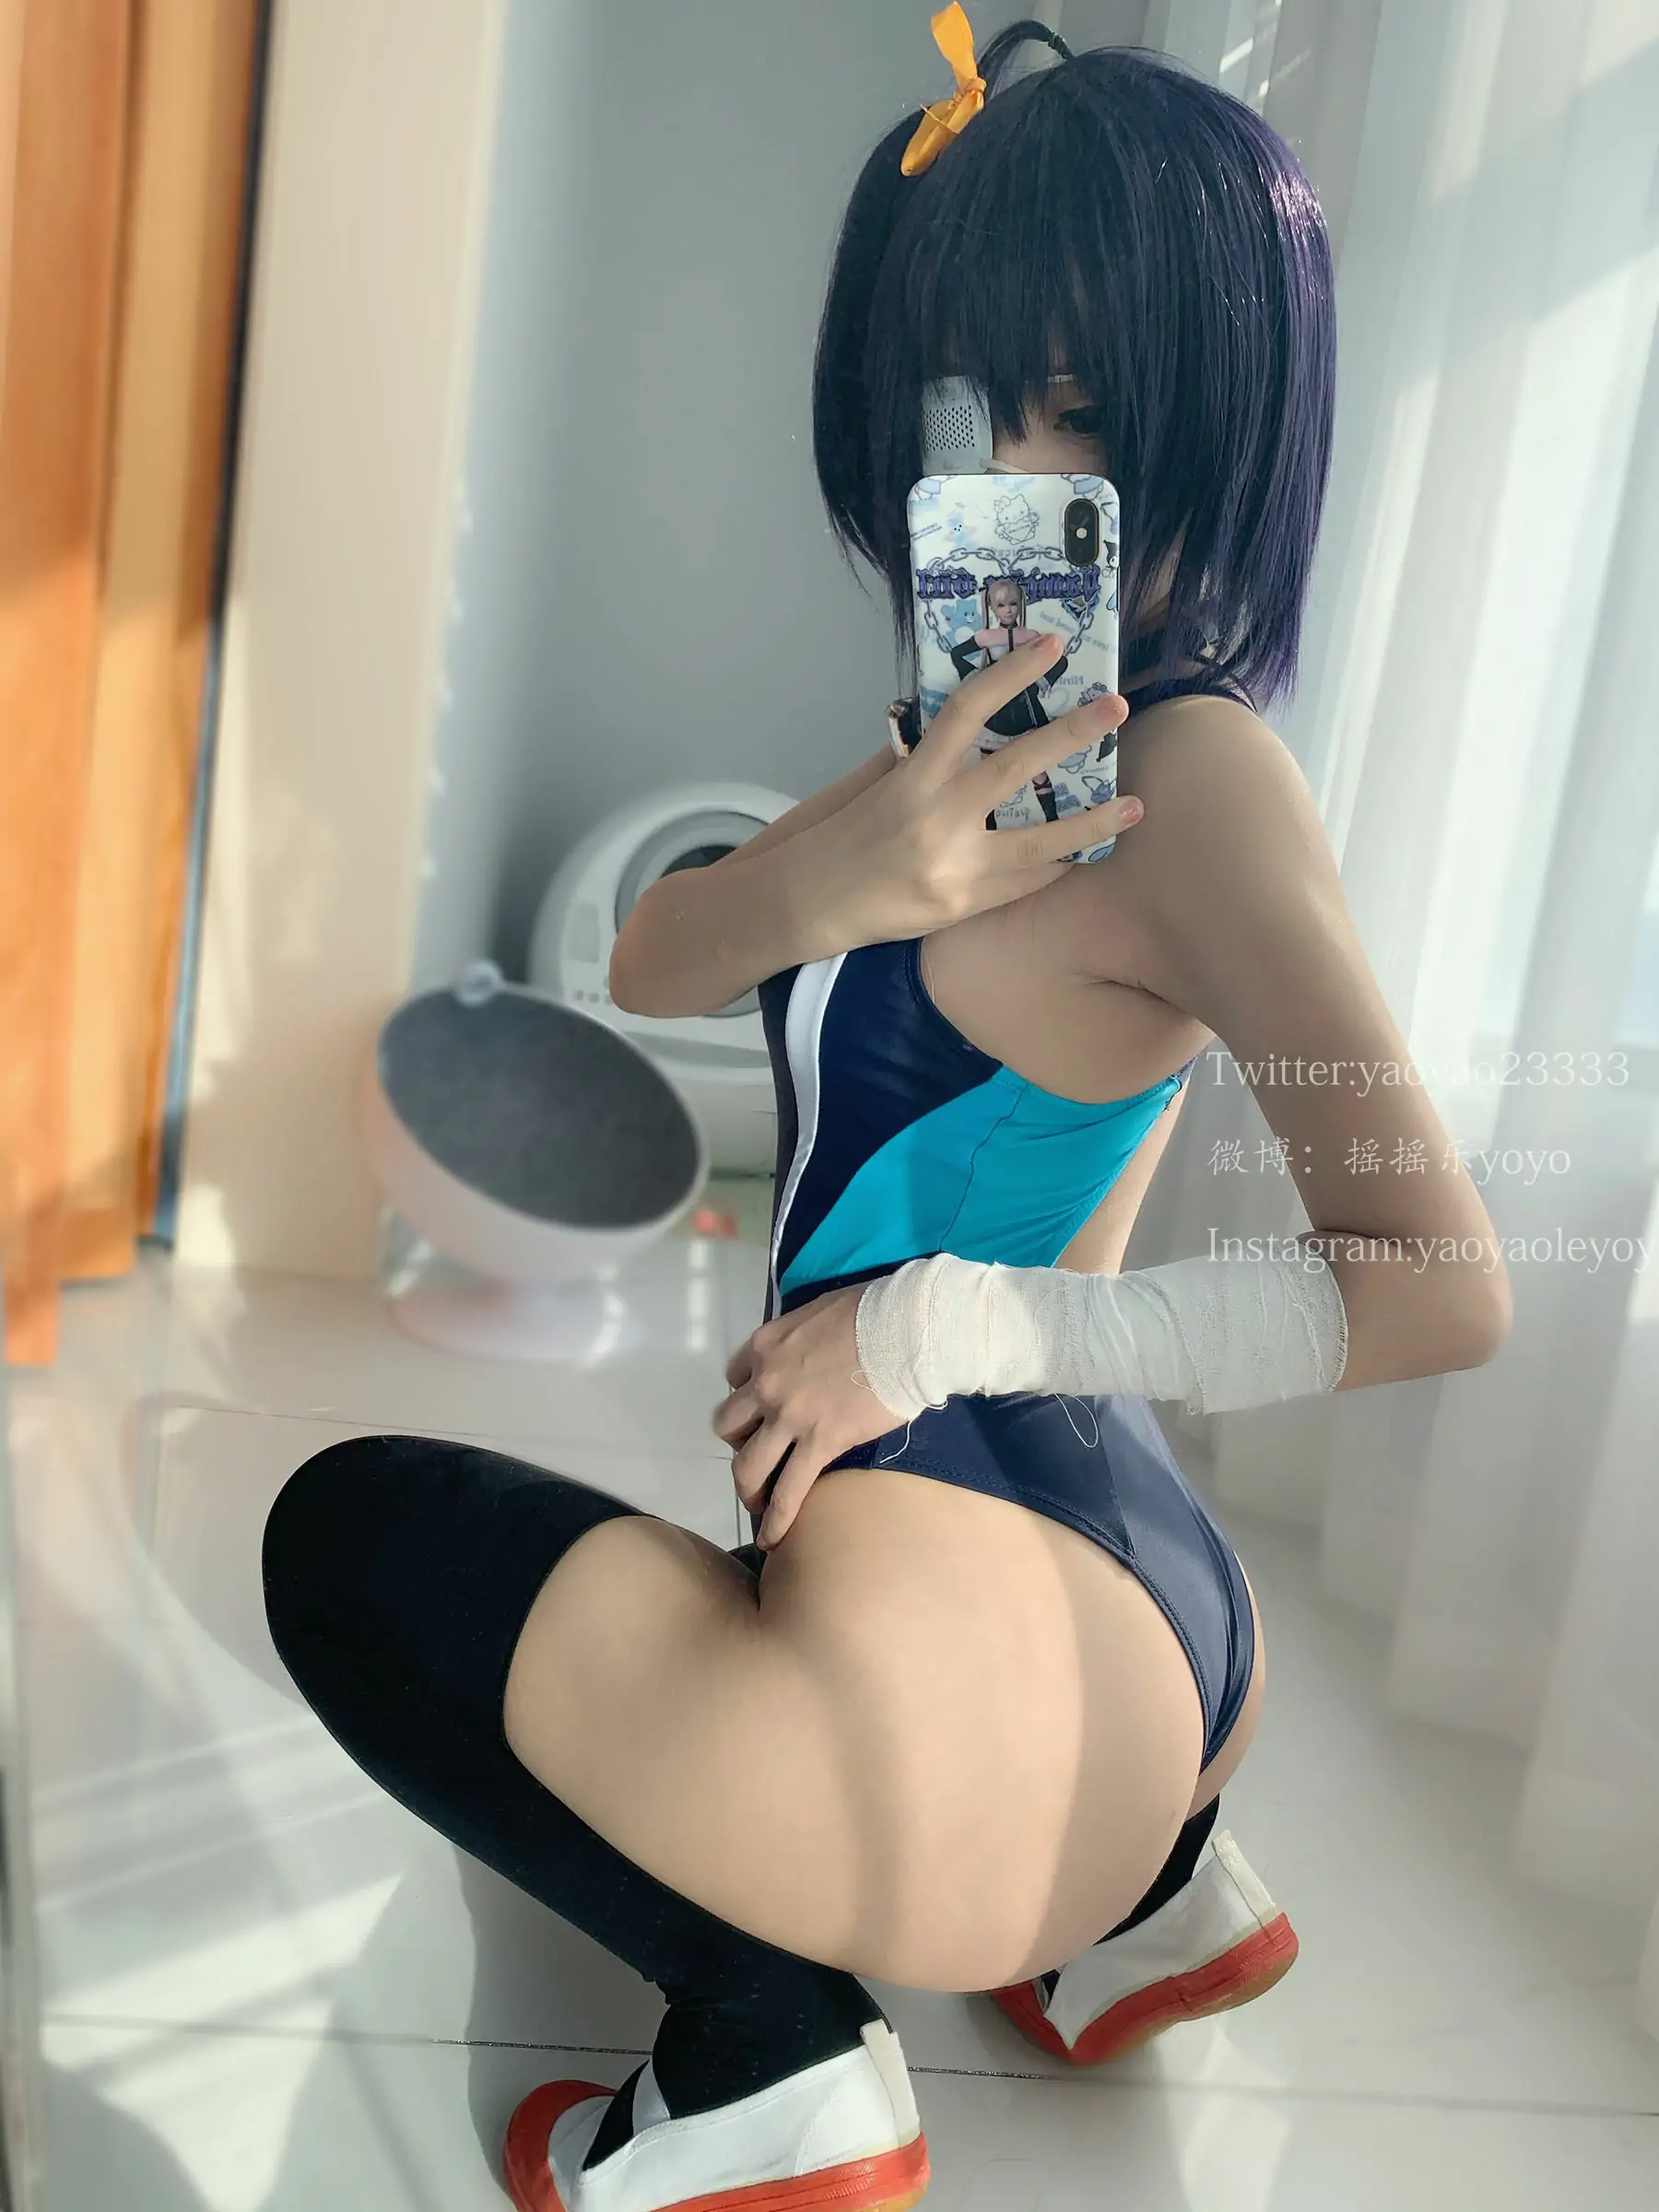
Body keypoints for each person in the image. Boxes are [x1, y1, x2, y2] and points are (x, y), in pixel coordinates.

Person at [263, 18, 1513, 2212]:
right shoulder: (971, 752)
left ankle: (772, 2064)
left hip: (971, 1673)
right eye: (966, 402)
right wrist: (856, 873)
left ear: (1224, 418)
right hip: (1126, 1636)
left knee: (350, 1540)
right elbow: (652, 963)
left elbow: (1445, 1288)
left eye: (1084, 412)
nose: (1007, 467)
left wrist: (932, 1329)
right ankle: (1145, 1910)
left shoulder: (1199, 781)